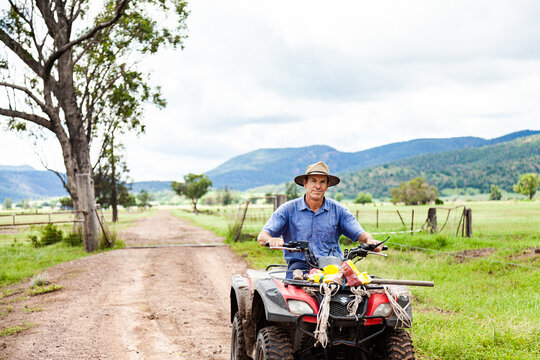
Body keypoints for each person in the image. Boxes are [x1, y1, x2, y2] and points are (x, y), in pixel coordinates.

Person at [258, 161, 381, 278]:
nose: (318, 186)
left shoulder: (339, 210)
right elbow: (262, 237)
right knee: (294, 293)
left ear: (327, 186)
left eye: (322, 182)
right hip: (300, 266)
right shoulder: (287, 209)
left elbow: (361, 235)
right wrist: (272, 240)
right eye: (313, 181)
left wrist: (370, 241)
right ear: (305, 184)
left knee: (357, 290)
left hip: (334, 266)